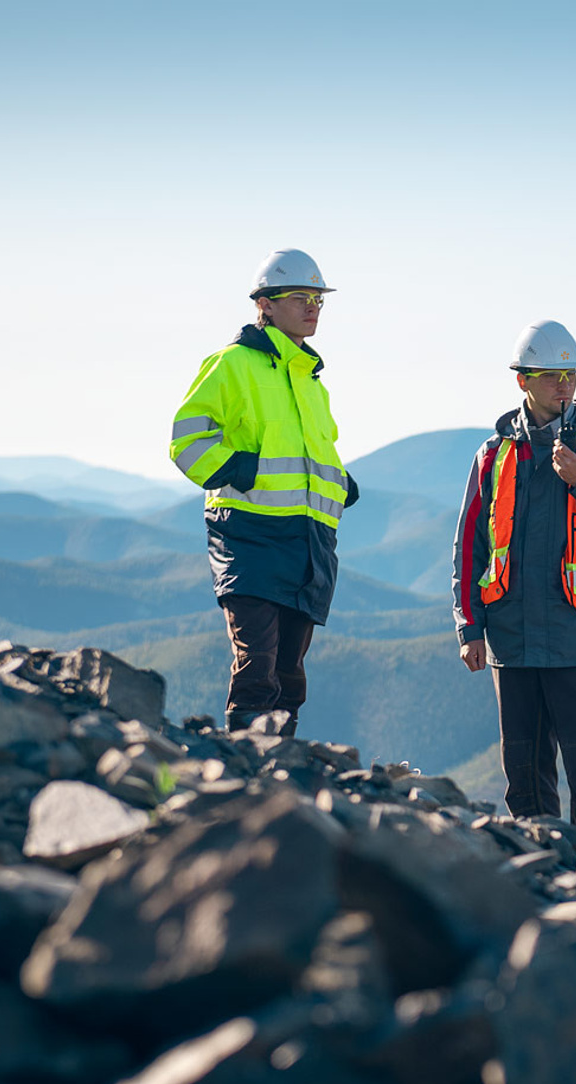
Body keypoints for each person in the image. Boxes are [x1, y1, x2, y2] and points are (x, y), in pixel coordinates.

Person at [452, 320, 576, 837]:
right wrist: (469, 629)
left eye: (571, 374)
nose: (565, 385)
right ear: (522, 381)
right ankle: (539, 884)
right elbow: (469, 548)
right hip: (512, 648)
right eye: (552, 375)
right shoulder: (492, 455)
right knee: (525, 785)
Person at [167, 248, 358, 736]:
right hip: (248, 535)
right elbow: (187, 438)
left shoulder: (310, 379)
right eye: (301, 297)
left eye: (318, 298)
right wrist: (237, 469)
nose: (313, 306)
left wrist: (340, 486)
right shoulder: (232, 364)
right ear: (265, 304)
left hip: (309, 543)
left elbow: (317, 453)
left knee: (290, 675)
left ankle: (283, 770)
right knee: (258, 664)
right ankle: (246, 771)